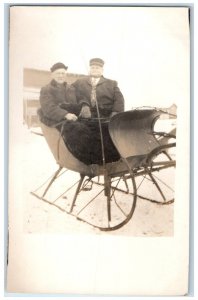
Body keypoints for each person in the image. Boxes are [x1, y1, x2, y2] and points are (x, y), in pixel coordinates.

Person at [67, 58, 125, 165]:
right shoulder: (80, 82)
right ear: (90, 69)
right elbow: (70, 92)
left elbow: (119, 99)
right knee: (84, 135)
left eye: (97, 68)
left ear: (102, 70)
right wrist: (83, 105)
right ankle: (91, 161)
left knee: (108, 135)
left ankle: (111, 161)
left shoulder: (111, 84)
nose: (95, 69)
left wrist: (115, 113)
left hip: (106, 117)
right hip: (86, 117)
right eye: (93, 67)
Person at [38, 62, 80, 127]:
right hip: (55, 120)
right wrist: (65, 115)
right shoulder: (46, 89)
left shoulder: (71, 88)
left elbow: (77, 104)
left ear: (65, 75)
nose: (60, 76)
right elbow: (48, 108)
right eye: (58, 73)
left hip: (72, 119)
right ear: (52, 75)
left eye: (63, 73)